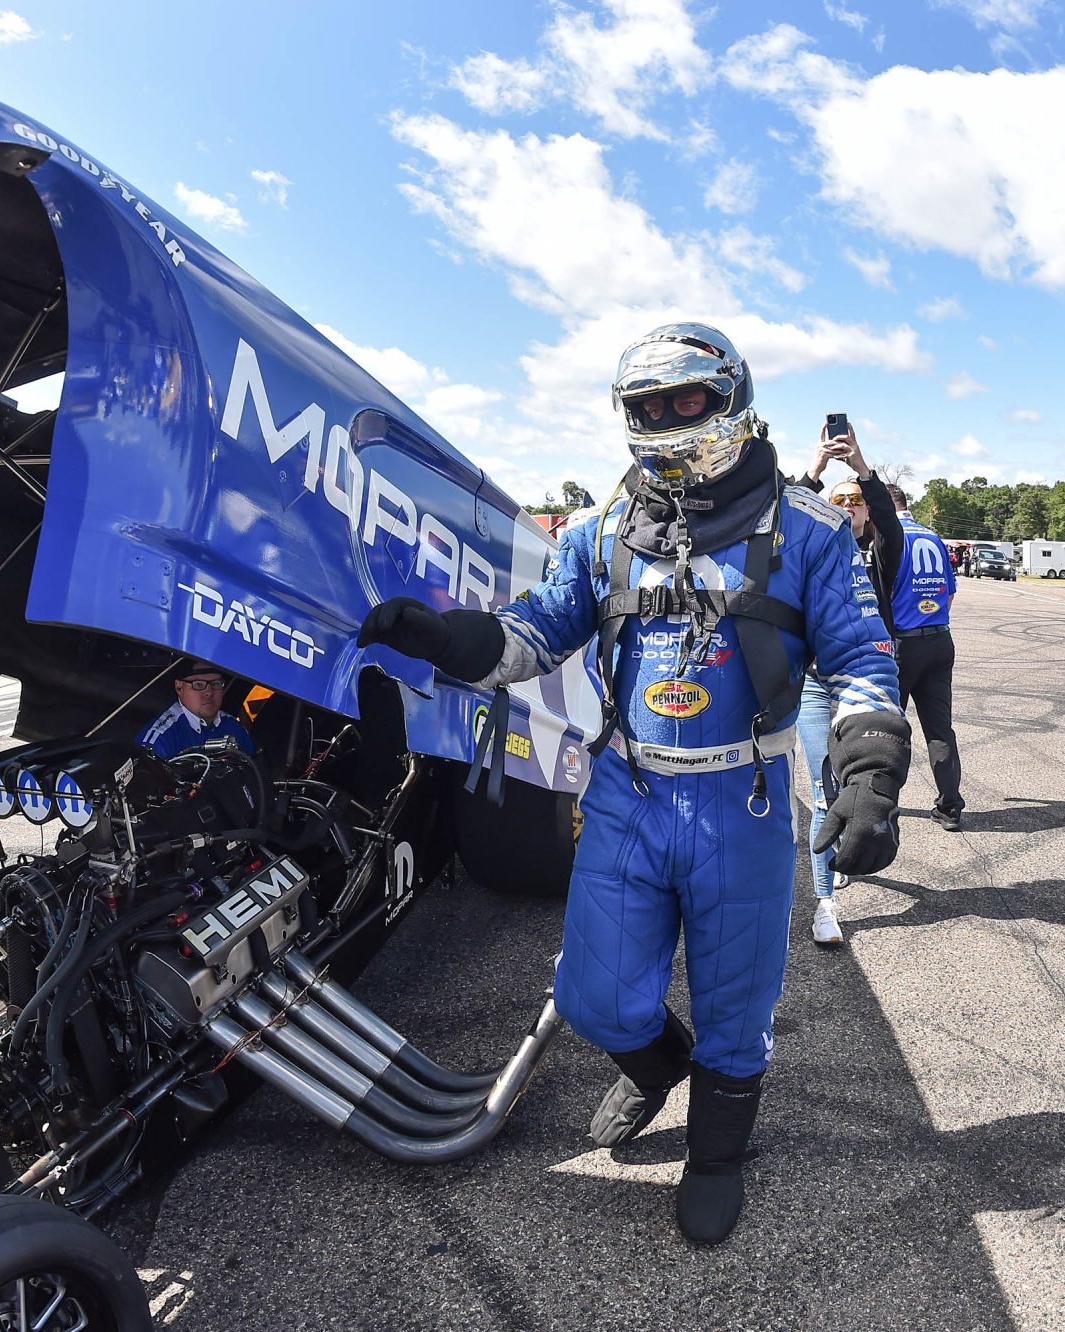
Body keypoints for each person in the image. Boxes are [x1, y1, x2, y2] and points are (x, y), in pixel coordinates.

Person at [356, 323, 910, 1245]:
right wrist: (449, 638)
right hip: (629, 790)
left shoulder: (809, 529)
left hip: (748, 798)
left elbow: (860, 655)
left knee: (738, 1006)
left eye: (684, 401)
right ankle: (657, 1068)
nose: (665, 420)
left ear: (729, 398)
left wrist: (869, 773)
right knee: (594, 997)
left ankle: (719, 1151)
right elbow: (535, 633)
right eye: (646, 407)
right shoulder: (605, 529)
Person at [795, 422, 903, 944]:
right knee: (822, 787)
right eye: (839, 498)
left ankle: (866, 830)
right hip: (813, 684)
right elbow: (783, 517)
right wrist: (816, 469)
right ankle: (825, 903)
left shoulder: (881, 553)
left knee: (866, 785)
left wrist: (860, 467)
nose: (850, 504)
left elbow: (888, 517)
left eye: (856, 499)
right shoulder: (810, 550)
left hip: (864, 685)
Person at [884, 483, 966, 830]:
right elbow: (948, 594)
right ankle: (950, 807)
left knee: (887, 731)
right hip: (939, 639)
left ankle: (883, 805)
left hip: (903, 645)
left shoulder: (889, 537)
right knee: (939, 729)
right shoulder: (933, 537)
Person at [137, 661, 256, 758]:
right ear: (179, 687)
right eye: (198, 685)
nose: (209, 692)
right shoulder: (160, 739)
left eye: (216, 684)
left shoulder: (234, 727)